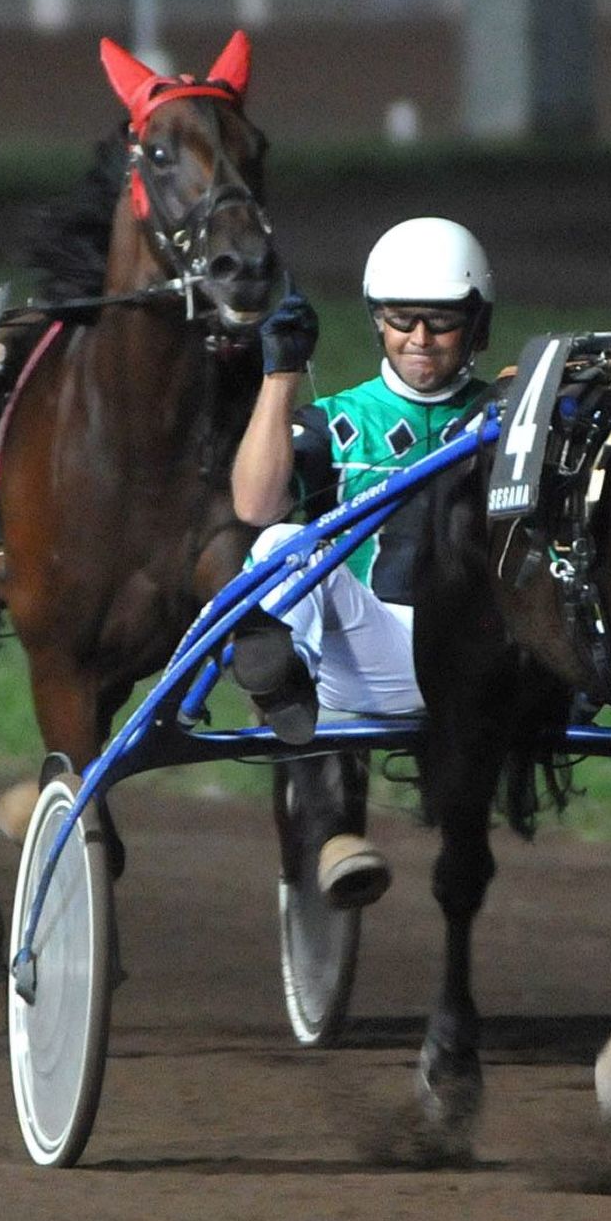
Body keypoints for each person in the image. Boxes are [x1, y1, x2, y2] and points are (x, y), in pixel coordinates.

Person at [231, 216, 496, 907]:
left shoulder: (508, 416)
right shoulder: (338, 420)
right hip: (365, 661)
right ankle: (288, 688)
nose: (420, 338)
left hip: (479, 668)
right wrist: (279, 377)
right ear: (378, 322)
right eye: (402, 319)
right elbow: (256, 502)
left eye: (440, 322)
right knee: (279, 544)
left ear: (475, 325)